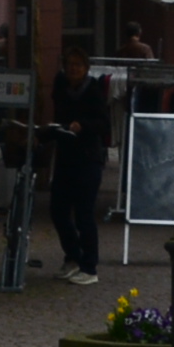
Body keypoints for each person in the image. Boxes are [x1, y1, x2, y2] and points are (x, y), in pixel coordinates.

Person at [45, 62, 112, 285]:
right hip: (65, 157)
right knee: (58, 210)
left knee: (84, 213)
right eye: (70, 66)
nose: (73, 71)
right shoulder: (61, 88)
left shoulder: (93, 90)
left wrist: (82, 125)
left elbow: (103, 123)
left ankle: (89, 267)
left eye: (78, 67)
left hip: (88, 158)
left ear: (85, 69)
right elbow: (58, 117)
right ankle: (73, 256)